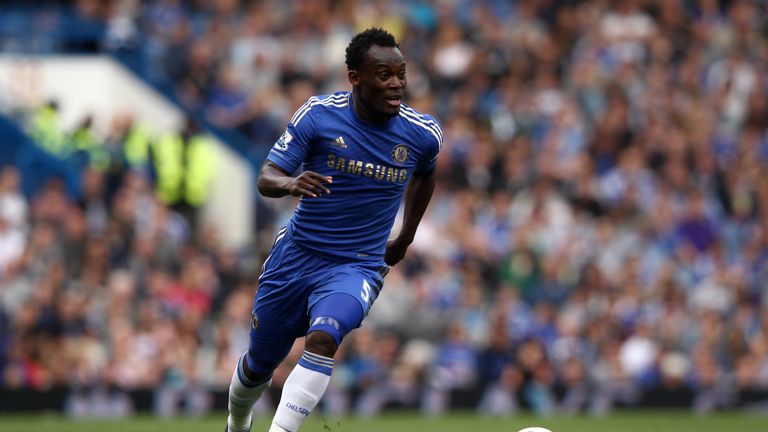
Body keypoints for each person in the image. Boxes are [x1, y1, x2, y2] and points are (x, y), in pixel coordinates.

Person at [225, 28, 442, 432]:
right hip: (296, 257)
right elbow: (267, 176)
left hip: (357, 265)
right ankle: (237, 424)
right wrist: (291, 183)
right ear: (355, 77)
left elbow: (425, 176)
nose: (396, 83)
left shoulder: (422, 134)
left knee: (324, 337)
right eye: (384, 75)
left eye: (401, 73)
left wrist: (406, 237)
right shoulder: (318, 115)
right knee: (259, 365)